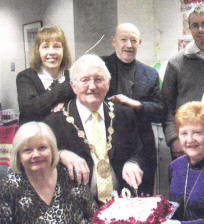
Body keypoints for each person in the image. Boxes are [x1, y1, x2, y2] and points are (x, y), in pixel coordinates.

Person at [45, 54, 144, 204]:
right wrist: (60, 154)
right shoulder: (55, 122)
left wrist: (133, 162)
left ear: (108, 83)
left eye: (98, 79)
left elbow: (139, 151)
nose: (92, 86)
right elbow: (38, 161)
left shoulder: (124, 115)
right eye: (85, 80)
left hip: (122, 204)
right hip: (76, 210)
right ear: (73, 86)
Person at [0, 122, 97, 224]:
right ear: (19, 156)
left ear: (53, 150)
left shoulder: (71, 175)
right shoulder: (10, 185)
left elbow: (94, 219)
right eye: (28, 150)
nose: (35, 154)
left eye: (42, 148)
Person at [103, 22, 164, 194]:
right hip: (108, 147)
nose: (129, 45)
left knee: (142, 198)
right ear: (113, 41)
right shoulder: (100, 67)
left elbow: (160, 110)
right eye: (123, 40)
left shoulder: (150, 74)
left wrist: (137, 104)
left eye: (133, 41)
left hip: (142, 148)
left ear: (140, 43)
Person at [162, 4, 204, 159]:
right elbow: (166, 106)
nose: (200, 30)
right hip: (186, 144)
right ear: (189, 30)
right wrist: (174, 138)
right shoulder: (176, 63)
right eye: (195, 26)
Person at [16, 25, 74, 125]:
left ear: (63, 50)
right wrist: (62, 90)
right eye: (45, 47)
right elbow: (30, 110)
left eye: (57, 46)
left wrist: (65, 105)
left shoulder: (72, 76)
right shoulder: (25, 77)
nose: (51, 52)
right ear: (38, 51)